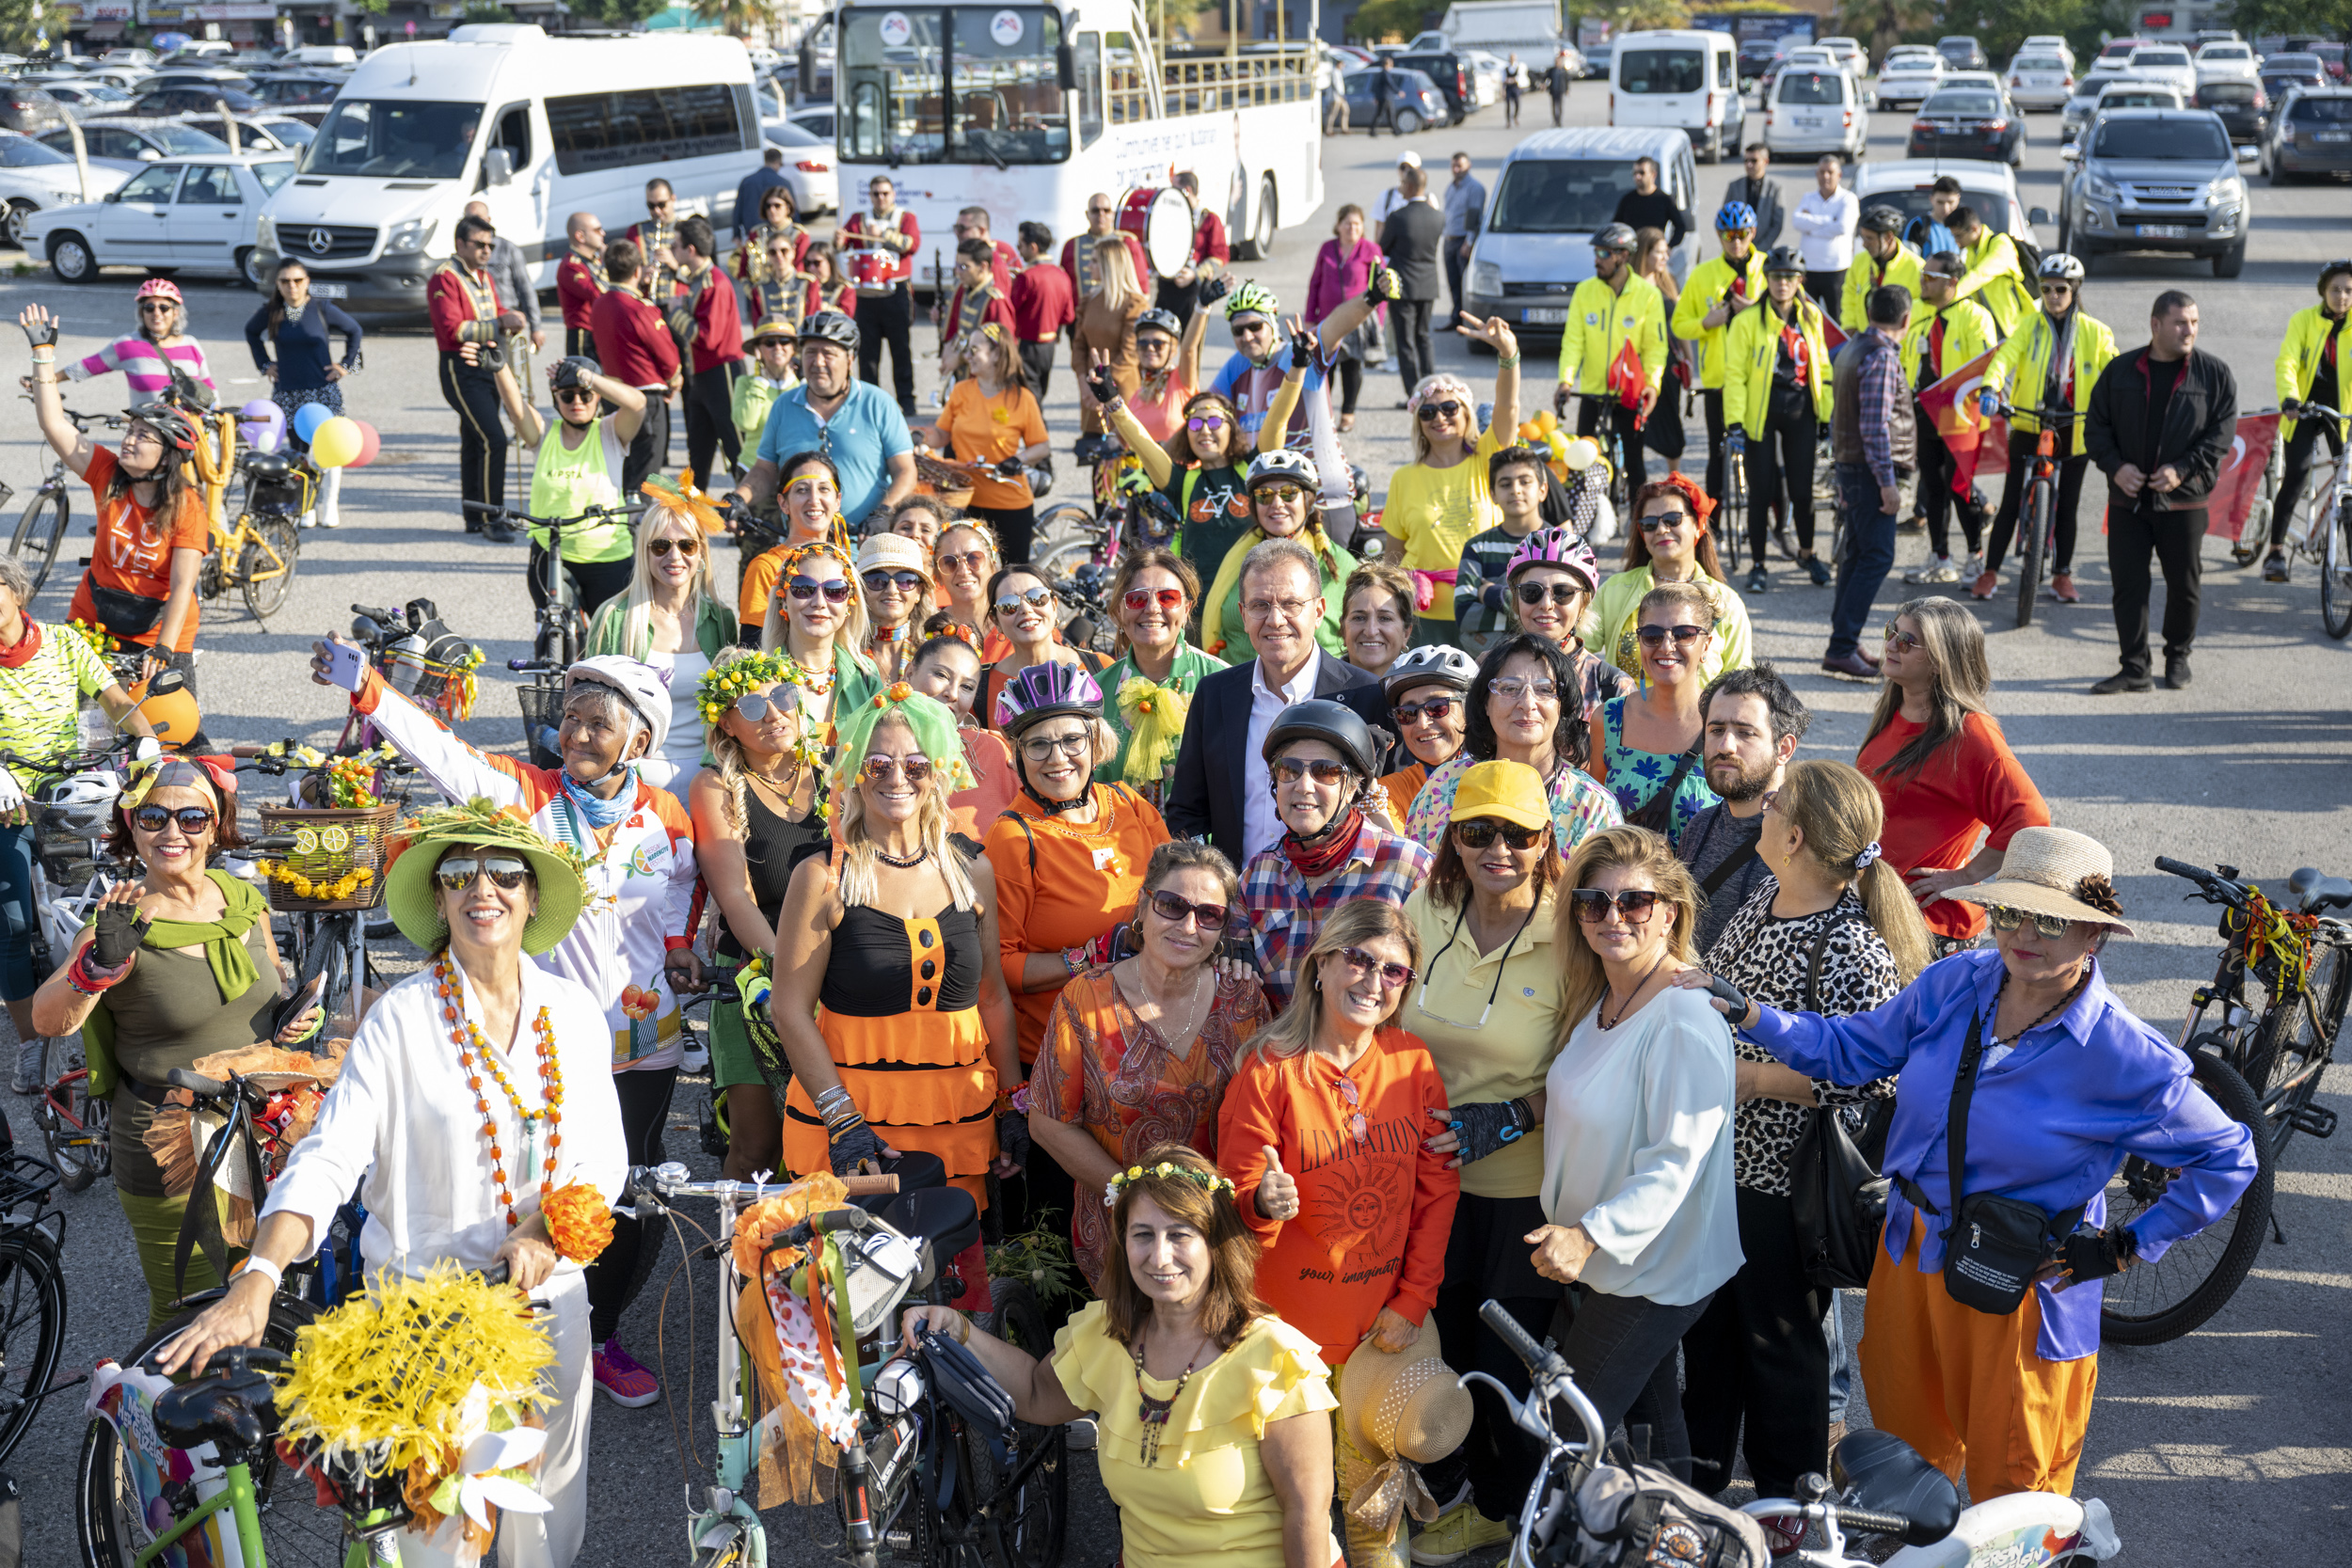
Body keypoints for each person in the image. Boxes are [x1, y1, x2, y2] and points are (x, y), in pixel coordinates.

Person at [1687, 826, 2258, 1500]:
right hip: (1909, 1257)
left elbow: (2228, 1156)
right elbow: (1852, 1049)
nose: (2025, 933)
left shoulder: (2123, 1053)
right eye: (2012, 911)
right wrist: (1752, 1012)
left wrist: (2125, 1246)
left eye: (2052, 919)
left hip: (2019, 1287)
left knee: (2015, 1497)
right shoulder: (1957, 981)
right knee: (1907, 1478)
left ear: (2094, 934)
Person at [156, 808, 624, 1568]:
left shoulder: (572, 1013)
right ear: (437, 901)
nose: (483, 890)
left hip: (547, 1308)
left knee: (545, 1524)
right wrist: (261, 1276)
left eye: (504, 873)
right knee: (433, 1538)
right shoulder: (401, 1021)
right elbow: (328, 1158)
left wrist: (548, 1232)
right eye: (457, 875)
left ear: (532, 896)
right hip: (422, 1323)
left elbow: (603, 1159)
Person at [314, 649, 697, 1405]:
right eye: (571, 720)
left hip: (647, 1037)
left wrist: (683, 949)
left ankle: (602, 1330)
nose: (576, 737)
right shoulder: (528, 795)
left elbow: (684, 893)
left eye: (598, 726)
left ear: (639, 743)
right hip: (543, 1037)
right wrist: (368, 690)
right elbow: (444, 753)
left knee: (629, 1191)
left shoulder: (670, 818)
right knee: (530, 1180)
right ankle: (516, 1322)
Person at [1677, 759, 1930, 1504]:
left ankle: (1790, 1501)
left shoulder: (1850, 944)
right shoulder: (1766, 898)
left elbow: (1879, 1074)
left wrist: (1758, 1079)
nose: (1764, 802)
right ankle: (1698, 1485)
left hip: (1787, 1180)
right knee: (1713, 1335)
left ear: (1796, 835)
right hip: (1727, 1166)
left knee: (1780, 1346)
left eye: (1777, 800)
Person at [900, 1147, 1343, 1568]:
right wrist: (960, 1330)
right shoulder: (1110, 1334)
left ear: (1214, 1243)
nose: (1160, 1256)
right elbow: (1036, 1393)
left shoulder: (1273, 1359)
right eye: (1143, 1235)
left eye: (1180, 1235)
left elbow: (1306, 1517)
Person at [1218, 897, 1457, 1568]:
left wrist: (1413, 1300)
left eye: (1394, 971)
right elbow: (1232, 1212)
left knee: (1374, 1515)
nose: (1373, 981)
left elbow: (1439, 1192)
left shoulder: (1414, 1065)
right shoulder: (1266, 1069)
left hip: (1378, 1334)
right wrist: (1263, 1201)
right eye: (1358, 959)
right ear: (1321, 963)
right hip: (1280, 1340)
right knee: (1290, 1513)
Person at [28, 755, 305, 1327]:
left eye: (192, 818)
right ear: (131, 826)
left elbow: (273, 994)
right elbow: (47, 1020)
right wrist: (97, 966)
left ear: (217, 824)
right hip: (167, 1141)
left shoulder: (242, 901)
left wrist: (295, 1019)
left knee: (258, 1296)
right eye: (154, 816)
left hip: (260, 1127)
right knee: (189, 1314)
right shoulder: (120, 922)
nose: (173, 832)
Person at [774, 687, 1022, 1303]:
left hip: (956, 1121)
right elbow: (788, 1006)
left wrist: (1015, 1103)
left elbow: (992, 997)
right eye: (878, 764)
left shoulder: (972, 869)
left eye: (914, 765)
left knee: (951, 1302)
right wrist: (843, 1118)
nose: (896, 778)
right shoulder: (825, 873)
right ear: (855, 772)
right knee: (846, 1309)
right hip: (853, 1127)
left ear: (940, 772)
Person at [1532, 825, 1739, 1484]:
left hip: (1650, 1268)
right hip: (1614, 1262)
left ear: (1670, 913)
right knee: (1652, 1424)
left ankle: (1545, 1548)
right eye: (1593, 902)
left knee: (1564, 1427)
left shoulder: (1684, 1016)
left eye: (1634, 902)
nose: (1612, 916)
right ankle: (1679, 1546)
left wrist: (1588, 1236)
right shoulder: (1603, 995)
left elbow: (1673, 1162)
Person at [1401, 760, 1565, 1561]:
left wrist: (1518, 1112)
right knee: (1444, 1350)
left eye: (1519, 834)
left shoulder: (1572, 931)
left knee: (1509, 1367)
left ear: (1546, 841)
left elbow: (1601, 1063)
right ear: (1452, 840)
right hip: (1424, 1181)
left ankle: (1519, 1510)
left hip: (1523, 1190)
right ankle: (1469, 1497)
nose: (1498, 848)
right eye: (1478, 831)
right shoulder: (1425, 908)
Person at [1030, 842, 1266, 1287]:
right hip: (1122, 1237)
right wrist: (1132, 1196)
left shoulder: (1244, 1000)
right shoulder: (1085, 998)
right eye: (1172, 905)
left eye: (1209, 915)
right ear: (1144, 905)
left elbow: (1269, 1115)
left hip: (1218, 1235)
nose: (1188, 926)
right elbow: (1048, 1122)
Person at [985, 664, 1169, 1232]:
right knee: (1069, 1235)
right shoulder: (1014, 836)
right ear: (1017, 756)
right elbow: (998, 967)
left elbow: (1183, 893)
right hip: (1060, 1066)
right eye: (1037, 744)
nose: (1057, 757)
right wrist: (1086, 958)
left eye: (1071, 739)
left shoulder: (1133, 809)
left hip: (1148, 1049)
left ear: (1096, 742)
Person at [0, 554, 154, 1093]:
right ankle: (29, 1044)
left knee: (117, 889)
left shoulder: (65, 643)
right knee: (14, 924)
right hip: (7, 799)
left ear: (16, 593)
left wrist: (145, 736)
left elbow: (114, 699)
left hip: (72, 784)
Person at [1166, 541, 1390, 875]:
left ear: (1318, 611)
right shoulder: (1215, 694)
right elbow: (1187, 811)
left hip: (1338, 903)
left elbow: (1383, 809)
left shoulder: (1365, 695)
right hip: (1238, 906)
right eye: (1260, 605)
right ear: (1242, 615)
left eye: (1290, 603)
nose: (1275, 619)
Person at [24, 308, 207, 692]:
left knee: (173, 735)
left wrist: (164, 650)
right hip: (95, 616)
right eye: (130, 430)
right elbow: (54, 424)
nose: (129, 439)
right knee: (81, 729)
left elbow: (181, 587)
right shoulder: (107, 474)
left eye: (143, 436)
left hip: (157, 633)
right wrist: (43, 353)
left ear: (167, 455)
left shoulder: (187, 505)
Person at [1858, 596, 2050, 955]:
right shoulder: (1897, 706)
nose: (1889, 645)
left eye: (1907, 642)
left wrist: (1963, 876)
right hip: (1883, 909)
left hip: (1930, 926)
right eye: (1891, 631)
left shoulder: (1971, 733)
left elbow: (2030, 818)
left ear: (1939, 662)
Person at [2084, 290, 2236, 694]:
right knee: (2128, 587)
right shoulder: (2119, 371)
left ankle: (2177, 657)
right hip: (2128, 502)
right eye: (2180, 322)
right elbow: (2095, 429)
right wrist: (2117, 468)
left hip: (2184, 501)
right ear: (2156, 325)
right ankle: (2134, 667)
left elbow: (2221, 435)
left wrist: (2182, 470)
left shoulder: (2214, 374)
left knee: (2184, 585)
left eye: (2194, 322)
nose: (2190, 330)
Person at [1238, 701, 1431, 1008]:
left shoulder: (1410, 869)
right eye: (1288, 770)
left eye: (1325, 772)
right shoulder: (1257, 875)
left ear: (1354, 786)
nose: (1303, 786)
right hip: (1278, 1052)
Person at [1976, 255, 2114, 608]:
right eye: (2047, 289)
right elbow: (2004, 358)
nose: (2053, 296)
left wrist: (2118, 403)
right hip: (2029, 422)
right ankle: (1990, 571)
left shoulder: (2096, 332)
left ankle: (2062, 575)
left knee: (2068, 504)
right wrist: (1991, 388)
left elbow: (2114, 372)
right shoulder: (2028, 326)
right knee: (2009, 501)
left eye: (2061, 289)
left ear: (2075, 290)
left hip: (2075, 426)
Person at [1406, 633, 1625, 855]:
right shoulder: (1444, 786)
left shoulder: (1592, 805)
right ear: (1485, 704)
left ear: (1563, 706)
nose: (1528, 703)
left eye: (1544, 689)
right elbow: (1416, 878)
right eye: (1509, 688)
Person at [584, 483, 740, 790]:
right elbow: (591, 709)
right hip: (633, 781)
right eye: (661, 545)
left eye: (686, 545)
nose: (674, 555)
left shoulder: (721, 620)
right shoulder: (614, 618)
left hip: (709, 780)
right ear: (645, 551)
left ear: (701, 554)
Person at [1386, 324, 1522, 641]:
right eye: (1428, 412)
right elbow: (1393, 558)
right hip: (1421, 615)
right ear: (1418, 423)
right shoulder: (1403, 478)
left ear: (1466, 415)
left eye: (1449, 408)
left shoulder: (1488, 458)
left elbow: (1508, 406)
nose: (1439, 417)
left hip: (1484, 608)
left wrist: (1507, 354)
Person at [492, 356, 649, 620]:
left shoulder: (610, 432)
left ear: (597, 397)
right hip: (551, 553)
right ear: (556, 398)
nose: (577, 402)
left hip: (607, 556)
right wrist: (499, 366)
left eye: (585, 396)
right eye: (567, 396)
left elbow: (637, 403)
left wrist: (587, 378)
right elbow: (516, 407)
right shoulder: (544, 433)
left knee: (610, 645)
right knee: (553, 627)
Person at [733, 311, 915, 531]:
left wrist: (885, 511)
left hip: (864, 545)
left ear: (850, 359)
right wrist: (738, 498)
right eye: (810, 352)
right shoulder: (783, 406)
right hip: (800, 546)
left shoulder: (879, 404)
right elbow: (764, 470)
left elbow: (905, 471)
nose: (818, 362)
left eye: (828, 353)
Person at [1674, 662, 1807, 954]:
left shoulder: (1803, 843)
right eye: (1716, 729)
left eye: (1745, 733)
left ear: (1784, 749)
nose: (1725, 746)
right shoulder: (1698, 827)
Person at [1724, 246, 1836, 592]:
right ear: (1767, 280)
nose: (1783, 284)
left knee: (1803, 492)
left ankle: (1808, 552)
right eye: (1776, 277)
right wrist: (1735, 422)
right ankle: (1758, 564)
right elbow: (1735, 374)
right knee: (1761, 491)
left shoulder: (1812, 317)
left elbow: (1824, 366)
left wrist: (1826, 414)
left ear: (1799, 280)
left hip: (1801, 409)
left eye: (1789, 277)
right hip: (1762, 413)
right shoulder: (1746, 321)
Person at [1103, 381, 1281, 590]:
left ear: (1231, 427)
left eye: (1214, 422)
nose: (1204, 431)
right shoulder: (1182, 481)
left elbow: (1278, 420)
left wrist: (1298, 366)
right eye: (1195, 424)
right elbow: (1142, 443)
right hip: (1198, 610)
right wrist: (1113, 402)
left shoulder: (1253, 469)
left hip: (1252, 603)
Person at [1823, 283, 1918, 679]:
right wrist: (1887, 484)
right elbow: (1875, 426)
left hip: (1852, 467)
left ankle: (1842, 643)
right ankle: (1842, 645)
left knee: (1859, 555)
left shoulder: (1853, 347)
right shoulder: (1880, 356)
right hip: (1868, 470)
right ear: (1907, 319)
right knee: (1876, 556)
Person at [1587, 582, 1724, 847]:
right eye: (1652, 635)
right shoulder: (1608, 719)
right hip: (1625, 886)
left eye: (1684, 634)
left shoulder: (1726, 724)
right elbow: (1595, 819)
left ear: (1706, 646)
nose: (1666, 646)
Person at [1199, 451, 1360, 665]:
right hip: (1237, 687)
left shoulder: (1341, 564)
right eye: (1264, 494)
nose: (1276, 503)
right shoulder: (1236, 558)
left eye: (1288, 493)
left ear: (1308, 500)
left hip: (1317, 693)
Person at [1587, 475, 1753, 683]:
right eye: (1649, 524)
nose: (1661, 529)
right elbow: (1576, 647)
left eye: (1673, 519)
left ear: (1698, 524)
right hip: (1624, 714)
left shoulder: (1728, 602)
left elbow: (1741, 685)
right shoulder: (1615, 590)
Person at [1097, 548, 1222, 807]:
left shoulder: (1222, 683)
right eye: (1137, 599)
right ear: (1119, 611)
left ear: (1187, 609)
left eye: (1168, 597)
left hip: (1202, 846)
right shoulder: (1093, 693)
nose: (1153, 608)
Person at [244, 256, 362, 529]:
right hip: (288, 391)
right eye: (285, 281)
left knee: (329, 447)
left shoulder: (321, 308)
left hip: (323, 390)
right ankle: (306, 504)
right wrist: (264, 364)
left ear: (307, 282)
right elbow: (251, 332)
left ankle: (329, 503)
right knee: (299, 449)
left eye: (298, 280)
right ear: (278, 284)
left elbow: (354, 330)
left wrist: (345, 366)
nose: (292, 286)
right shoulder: (272, 310)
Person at [1901, 253, 1996, 586]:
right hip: (1925, 415)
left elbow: (1986, 366)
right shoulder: (1919, 316)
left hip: (1960, 417)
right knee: (1933, 488)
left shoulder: (1975, 317)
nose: (1922, 281)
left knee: (1961, 488)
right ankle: (1941, 558)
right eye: (1923, 275)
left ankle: (1976, 557)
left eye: (1929, 276)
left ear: (1952, 283)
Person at [430, 214, 529, 531]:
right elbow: (452, 328)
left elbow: (493, 311)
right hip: (460, 367)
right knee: (494, 439)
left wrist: (509, 316)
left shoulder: (483, 275)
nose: (487, 250)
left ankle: (474, 516)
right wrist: (500, 323)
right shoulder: (445, 277)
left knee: (475, 440)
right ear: (460, 244)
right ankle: (492, 516)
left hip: (487, 363)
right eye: (480, 244)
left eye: (490, 244)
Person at [920, 322, 1050, 562]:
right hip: (965, 501)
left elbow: (1042, 446)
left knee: (1012, 575)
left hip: (1010, 502)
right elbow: (941, 434)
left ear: (997, 354)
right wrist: (916, 437)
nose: (967, 356)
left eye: (974, 350)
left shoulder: (1022, 398)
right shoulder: (961, 391)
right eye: (967, 350)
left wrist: (1018, 459)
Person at [1553, 223, 1665, 495]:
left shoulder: (1648, 295)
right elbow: (1573, 342)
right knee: (1580, 462)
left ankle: (1639, 529)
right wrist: (1565, 381)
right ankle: (1582, 523)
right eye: (1596, 253)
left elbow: (1655, 348)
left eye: (1604, 254)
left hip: (1629, 392)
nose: (1596, 260)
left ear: (1623, 256)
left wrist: (1652, 384)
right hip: (1593, 390)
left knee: (1636, 464)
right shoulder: (1584, 291)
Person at [1674, 206, 1767, 510]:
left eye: (1741, 235)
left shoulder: (1768, 269)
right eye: (1729, 236)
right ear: (1719, 236)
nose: (1736, 242)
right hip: (1718, 378)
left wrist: (1757, 309)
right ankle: (1713, 518)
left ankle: (1765, 511)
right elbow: (1678, 323)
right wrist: (1705, 323)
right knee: (1716, 451)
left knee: (1761, 450)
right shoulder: (1703, 274)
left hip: (1758, 378)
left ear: (1752, 233)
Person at [1209, 279, 1379, 443]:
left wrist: (1371, 297)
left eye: (1255, 327)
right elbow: (1206, 408)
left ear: (1273, 325)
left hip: (1311, 470)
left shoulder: (1298, 353)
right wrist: (1200, 308)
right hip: (1260, 471)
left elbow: (1334, 328)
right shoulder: (1238, 364)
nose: (1247, 337)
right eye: (1238, 330)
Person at [2269, 261, 2352, 582]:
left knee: (2347, 484)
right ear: (2323, 291)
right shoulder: (2303, 320)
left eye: (2348, 290)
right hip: (2303, 410)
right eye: (2335, 289)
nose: (2342, 296)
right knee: (2298, 474)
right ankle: (2275, 551)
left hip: (2342, 416)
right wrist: (2290, 398)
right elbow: (2287, 360)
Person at [907, 618, 1023, 840]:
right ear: (910, 672)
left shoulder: (993, 751)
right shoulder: (875, 743)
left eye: (967, 687)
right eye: (941, 675)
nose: (953, 693)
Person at [756, 533, 883, 729]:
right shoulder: (755, 676)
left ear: (849, 603)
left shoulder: (866, 675)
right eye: (804, 588)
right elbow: (721, 754)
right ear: (783, 599)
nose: (819, 603)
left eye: (834, 591)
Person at [1502, 529, 1628, 725]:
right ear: (1516, 600)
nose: (1546, 604)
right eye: (1531, 591)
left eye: (1563, 592)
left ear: (1584, 603)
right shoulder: (1489, 672)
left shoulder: (1613, 686)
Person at [588, 239, 679, 497]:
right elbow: (666, 354)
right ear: (637, 271)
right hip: (644, 396)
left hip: (613, 393)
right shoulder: (641, 308)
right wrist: (674, 379)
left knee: (621, 461)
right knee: (648, 466)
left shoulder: (600, 303)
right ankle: (638, 520)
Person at [977, 563, 1110, 730]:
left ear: (1054, 606)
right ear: (996, 620)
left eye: (1036, 597)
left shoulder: (1101, 667)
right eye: (1009, 605)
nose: (1026, 609)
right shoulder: (981, 687)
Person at [1453, 444, 1551, 657]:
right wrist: (1530, 610)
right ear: (1493, 494)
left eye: (1525, 482)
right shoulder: (1477, 547)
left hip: (1548, 656)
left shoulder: (1558, 544)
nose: (1515, 489)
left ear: (1542, 489)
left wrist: (1489, 593)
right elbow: (1464, 615)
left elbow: (1564, 613)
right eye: (1505, 484)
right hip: (1490, 660)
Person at [739, 450, 853, 625]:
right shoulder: (765, 568)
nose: (814, 499)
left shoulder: (848, 566)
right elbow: (753, 645)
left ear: (837, 501)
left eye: (823, 489)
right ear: (783, 503)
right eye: (802, 490)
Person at [840, 174, 921, 416]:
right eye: (876, 193)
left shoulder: (906, 217)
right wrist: (839, 240)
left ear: (893, 195)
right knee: (868, 354)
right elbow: (844, 243)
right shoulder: (857, 218)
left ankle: (906, 401)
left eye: (885, 193)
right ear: (870, 195)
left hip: (895, 291)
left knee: (901, 350)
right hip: (866, 294)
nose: (881, 198)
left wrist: (884, 235)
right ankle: (869, 402)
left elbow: (912, 245)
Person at [61, 277, 215, 404]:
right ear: (141, 313)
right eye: (149, 308)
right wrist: (44, 380)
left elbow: (208, 386)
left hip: (190, 432)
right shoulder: (126, 345)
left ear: (175, 313)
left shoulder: (191, 344)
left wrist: (218, 422)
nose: (156, 313)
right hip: (147, 432)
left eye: (164, 307)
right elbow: (86, 367)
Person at [1306, 205, 1386, 433]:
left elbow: (1382, 291)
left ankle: (1348, 413)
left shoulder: (1371, 250)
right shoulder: (1327, 248)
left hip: (1356, 320)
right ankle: (1324, 414)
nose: (1352, 228)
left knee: (1352, 368)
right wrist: (1310, 318)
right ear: (1338, 225)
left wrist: (1378, 320)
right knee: (1324, 368)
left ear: (1363, 227)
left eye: (1357, 224)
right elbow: (1315, 283)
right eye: (1347, 223)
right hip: (1327, 320)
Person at [1375, 644, 1474, 824]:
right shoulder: (1388, 791)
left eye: (1438, 707)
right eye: (1407, 712)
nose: (1422, 723)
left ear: (1470, 709)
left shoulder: (1501, 773)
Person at [1073, 239, 1152, 438]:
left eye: (1094, 261)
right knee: (1095, 458)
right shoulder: (1090, 299)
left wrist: (1099, 389)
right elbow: (1079, 347)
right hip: (1091, 392)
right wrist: (1085, 385)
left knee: (1122, 459)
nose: (1088, 266)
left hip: (1121, 391)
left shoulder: (1135, 304)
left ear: (1111, 266)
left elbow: (1130, 355)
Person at [1378, 169, 1443, 399]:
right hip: (1428, 285)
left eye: (1403, 183)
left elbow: (1382, 247)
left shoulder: (1398, 217)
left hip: (1402, 286)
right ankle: (1434, 389)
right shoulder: (1438, 216)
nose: (1400, 187)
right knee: (1423, 337)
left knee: (1405, 341)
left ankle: (1415, 395)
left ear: (1409, 186)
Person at [462, 198, 544, 366]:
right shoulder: (465, 251)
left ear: (489, 220)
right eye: (469, 220)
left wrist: (536, 327)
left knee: (507, 379)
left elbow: (525, 288)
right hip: (476, 326)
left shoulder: (507, 248)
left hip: (505, 324)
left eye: (478, 219)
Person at [1634, 227, 1689, 474]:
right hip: (1636, 359)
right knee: (1634, 420)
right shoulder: (1631, 285)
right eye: (1660, 252)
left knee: (1671, 421)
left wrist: (1688, 359)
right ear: (1644, 253)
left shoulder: (1667, 281)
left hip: (1668, 362)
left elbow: (1679, 324)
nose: (1666, 257)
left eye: (1667, 252)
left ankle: (1673, 475)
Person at [853, 531, 933, 685]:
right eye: (877, 580)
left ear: (918, 591)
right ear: (861, 589)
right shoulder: (841, 649)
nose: (892, 590)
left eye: (905, 580)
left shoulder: (934, 652)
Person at [940, 236, 1019, 385]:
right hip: (966, 377)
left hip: (987, 382)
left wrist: (960, 358)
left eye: (964, 267)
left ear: (983, 267)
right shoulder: (966, 290)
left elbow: (1004, 350)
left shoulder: (995, 301)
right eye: (957, 266)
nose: (958, 272)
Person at [1010, 221, 1073, 402]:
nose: (1019, 251)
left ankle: (1036, 428)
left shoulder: (1027, 276)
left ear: (1033, 247)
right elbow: (1068, 315)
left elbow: (1012, 309)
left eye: (1020, 245)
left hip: (1026, 344)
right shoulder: (1061, 274)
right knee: (1039, 391)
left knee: (1028, 396)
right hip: (1049, 345)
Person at [1789, 155, 1858, 314]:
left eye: (1830, 172)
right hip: (1809, 270)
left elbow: (1843, 227)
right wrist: (1829, 220)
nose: (1825, 176)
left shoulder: (1848, 199)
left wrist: (1811, 225)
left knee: (1837, 316)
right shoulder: (1808, 198)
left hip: (1836, 270)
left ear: (1839, 175)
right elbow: (1797, 221)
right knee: (1805, 314)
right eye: (1821, 172)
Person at [1948, 205, 2030, 338]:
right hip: (1988, 326)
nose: (1956, 242)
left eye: (1959, 236)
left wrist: (1952, 294)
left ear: (1974, 229)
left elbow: (1981, 274)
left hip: (2012, 325)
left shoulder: (2001, 243)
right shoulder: (1971, 251)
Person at [932, 518, 1009, 657]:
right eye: (950, 562)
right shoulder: (928, 630)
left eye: (974, 558)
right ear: (938, 575)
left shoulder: (1020, 624)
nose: (963, 571)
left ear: (993, 566)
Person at [1840, 206, 1922, 336]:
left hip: (1900, 349)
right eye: (1863, 238)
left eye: (1869, 238)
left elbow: (1919, 314)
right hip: (1865, 343)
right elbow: (1849, 297)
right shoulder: (1860, 261)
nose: (1864, 244)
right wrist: (1849, 326)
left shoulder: (1916, 267)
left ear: (1889, 237)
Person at [1165, 170, 1232, 330]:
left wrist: (1195, 274)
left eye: (1175, 188)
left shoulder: (1209, 219)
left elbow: (1220, 257)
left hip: (1194, 289)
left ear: (1187, 190)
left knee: (1192, 344)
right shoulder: (1166, 215)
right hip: (1167, 287)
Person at [1058, 194, 1149, 302]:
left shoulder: (1127, 242)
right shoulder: (1072, 245)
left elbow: (1142, 285)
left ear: (1113, 214)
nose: (1101, 215)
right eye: (1095, 211)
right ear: (1087, 214)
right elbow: (1064, 286)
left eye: (1106, 210)